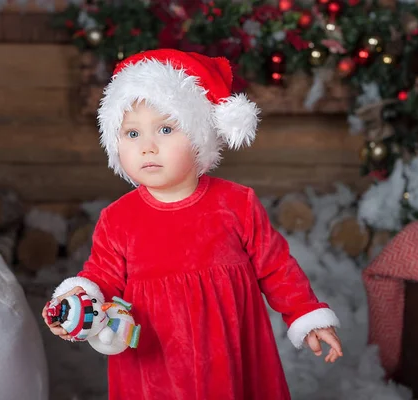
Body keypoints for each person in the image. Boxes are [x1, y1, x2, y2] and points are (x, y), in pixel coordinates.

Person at [43, 49, 342, 400]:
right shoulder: (118, 219)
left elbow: (275, 267)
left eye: (166, 129)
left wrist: (307, 314)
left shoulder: (235, 204)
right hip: (154, 363)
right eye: (133, 134)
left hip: (228, 354)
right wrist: (77, 301)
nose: (148, 148)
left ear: (199, 135)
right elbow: (103, 277)